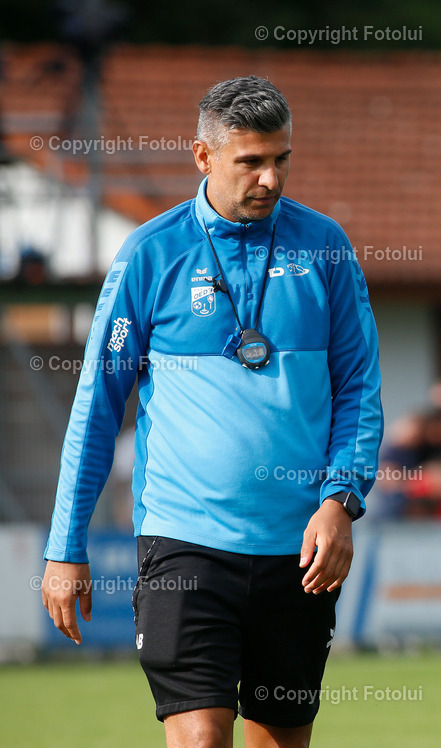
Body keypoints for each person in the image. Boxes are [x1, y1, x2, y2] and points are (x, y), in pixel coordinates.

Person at [40, 76, 383, 748]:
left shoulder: (325, 247)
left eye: (281, 159)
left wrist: (341, 501)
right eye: (250, 161)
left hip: (300, 550)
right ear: (203, 157)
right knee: (200, 737)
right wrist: (64, 546)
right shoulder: (149, 254)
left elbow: (360, 390)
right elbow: (96, 409)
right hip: (184, 543)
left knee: (278, 742)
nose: (270, 178)